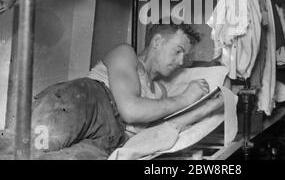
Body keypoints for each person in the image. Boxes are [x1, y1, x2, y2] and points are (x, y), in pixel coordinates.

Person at [0, 24, 224, 160]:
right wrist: (185, 97)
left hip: (110, 140)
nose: (182, 61)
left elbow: (162, 130)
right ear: (157, 41)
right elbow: (130, 111)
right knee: (24, 146)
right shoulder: (126, 54)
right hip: (88, 101)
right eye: (178, 51)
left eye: (186, 56)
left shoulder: (161, 93)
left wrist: (207, 107)